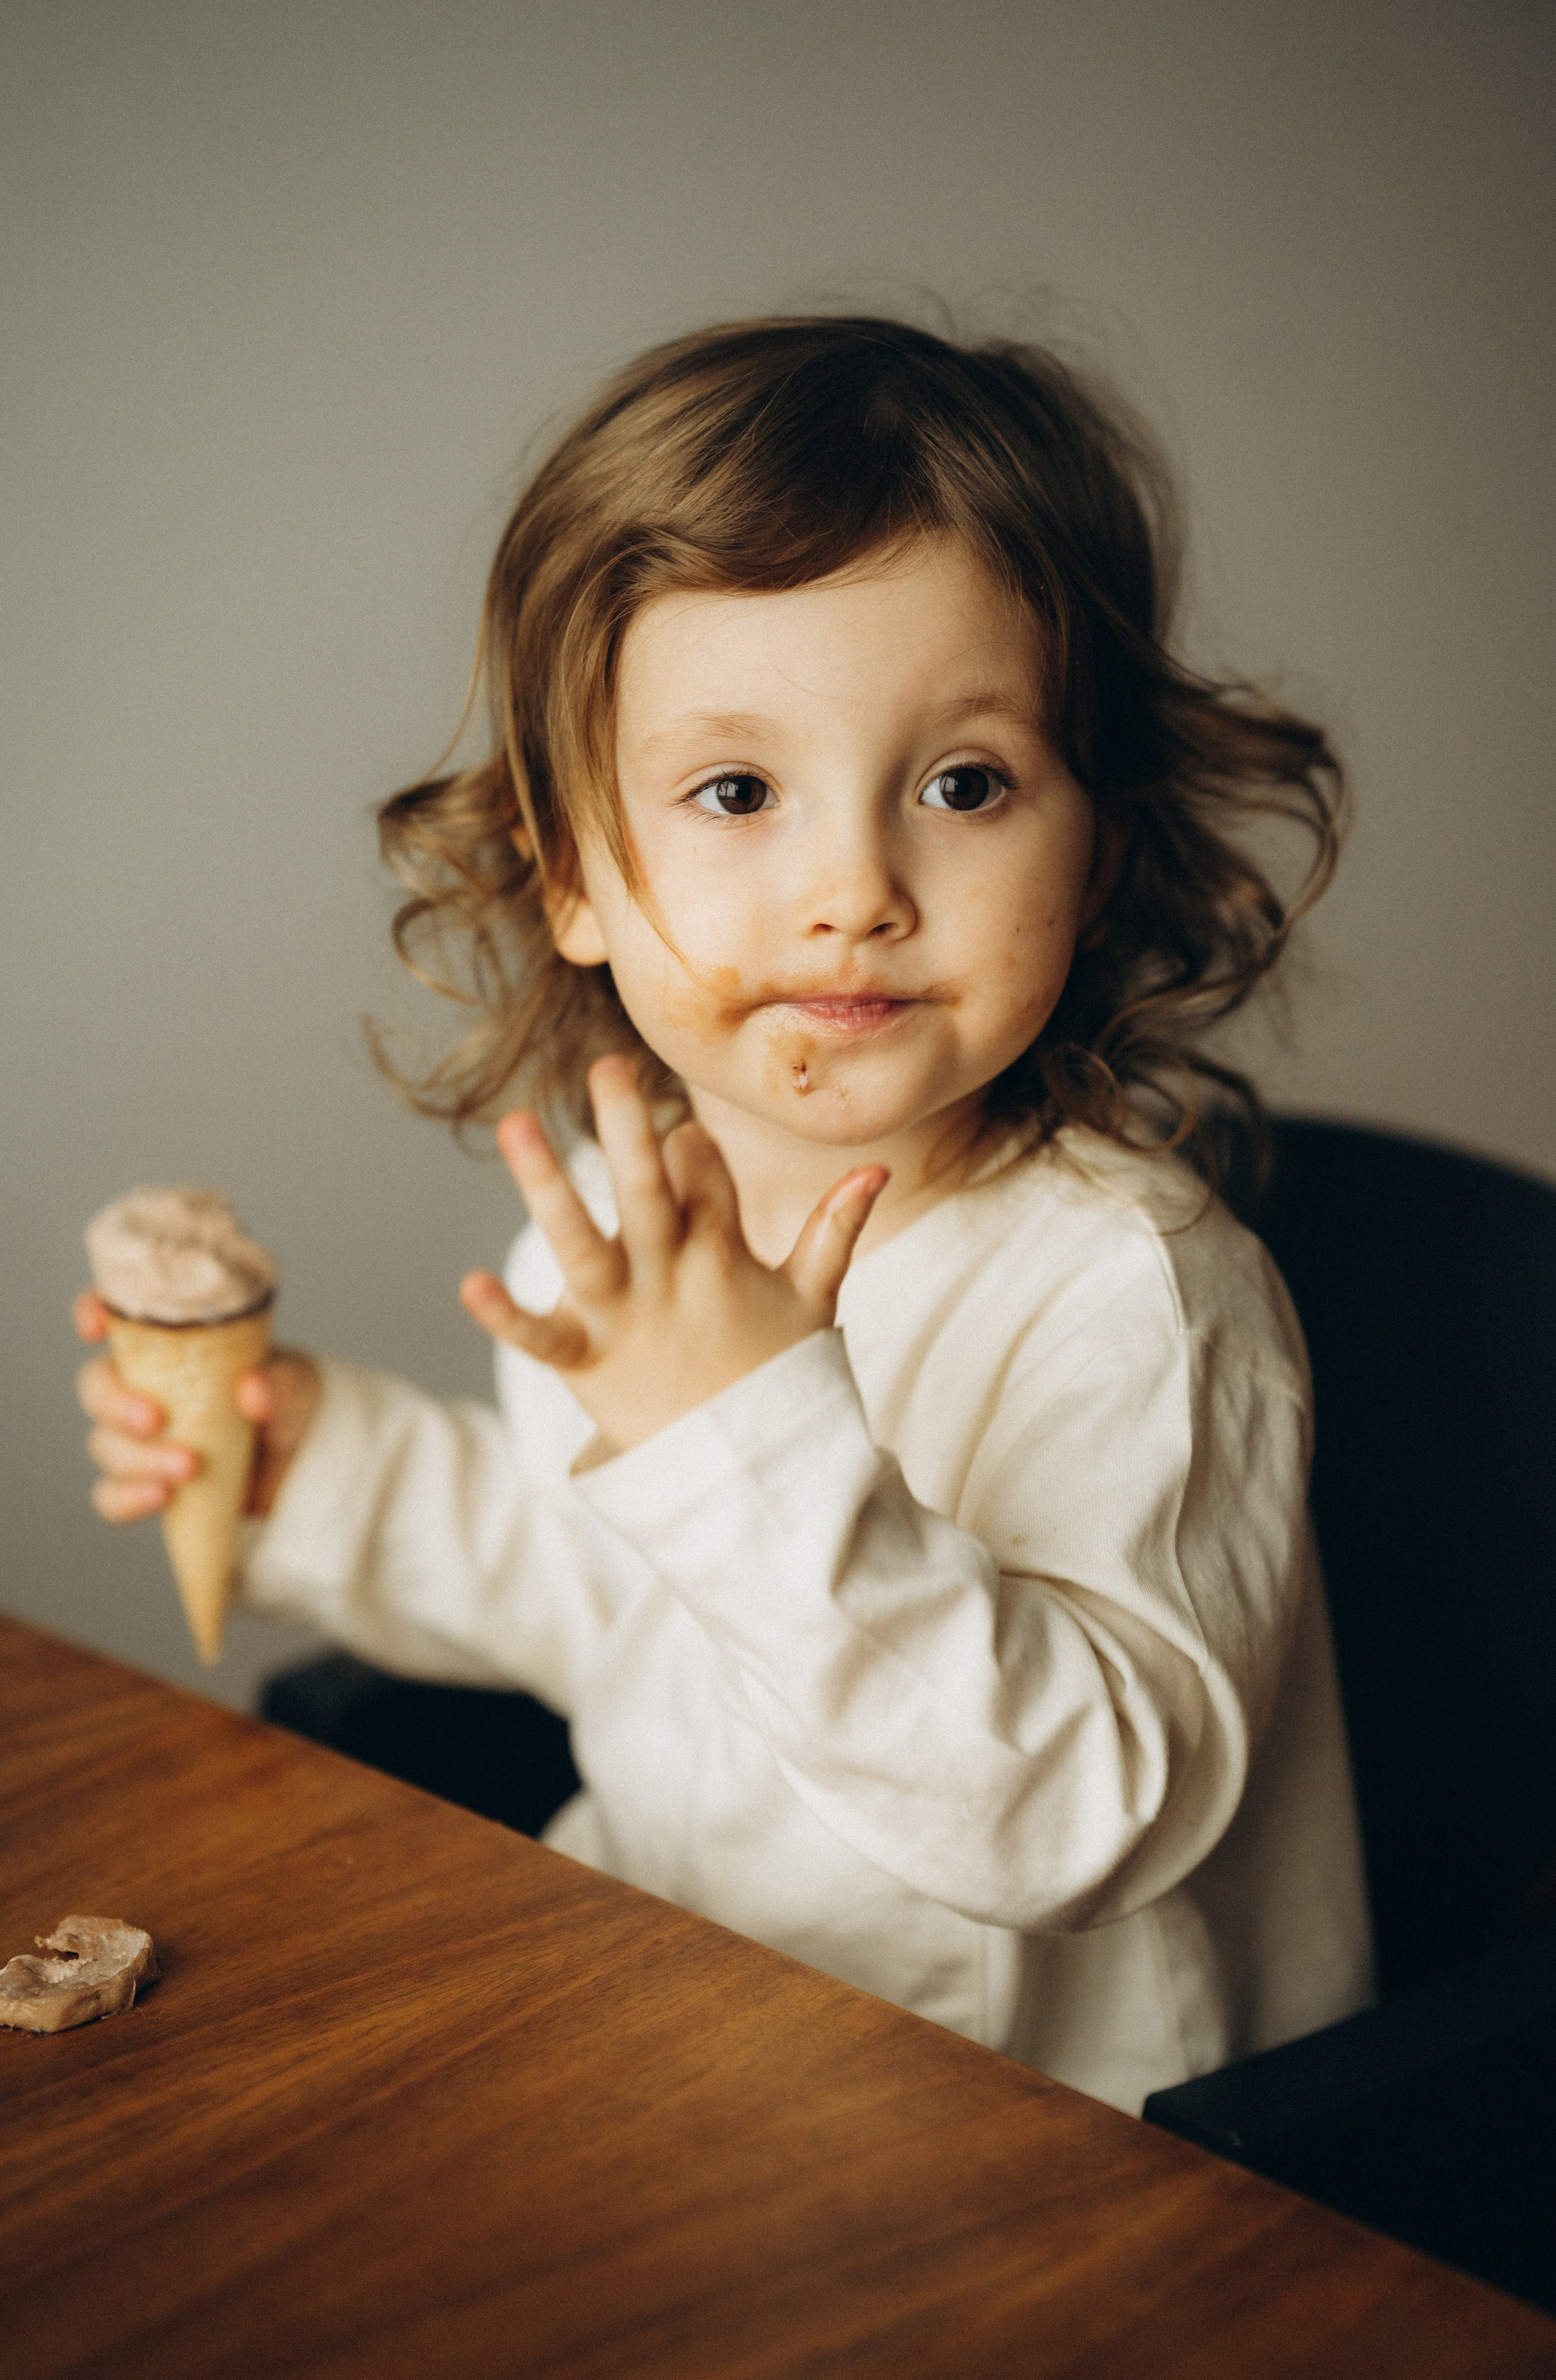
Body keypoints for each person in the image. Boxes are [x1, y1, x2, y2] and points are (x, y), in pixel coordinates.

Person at [76, 315, 1373, 2114]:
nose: (853, 888)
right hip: (687, 2017)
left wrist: (744, 1431)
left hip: (1057, 2144)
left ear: (1100, 841)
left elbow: (1075, 1819)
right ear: (577, 874)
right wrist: (326, 1468)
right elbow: (609, 1606)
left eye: (966, 783)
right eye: (738, 792)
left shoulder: (1131, 1300)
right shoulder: (620, 1232)